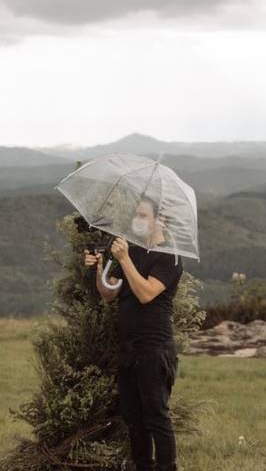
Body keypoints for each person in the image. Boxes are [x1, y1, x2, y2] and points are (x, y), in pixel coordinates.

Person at [84, 198, 183, 471]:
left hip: (154, 349)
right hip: (128, 348)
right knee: (134, 418)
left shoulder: (170, 257)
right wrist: (100, 266)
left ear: (159, 219)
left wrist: (124, 258)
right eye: (135, 215)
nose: (136, 220)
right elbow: (108, 293)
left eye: (142, 215)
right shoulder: (134, 251)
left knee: (156, 416)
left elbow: (146, 293)